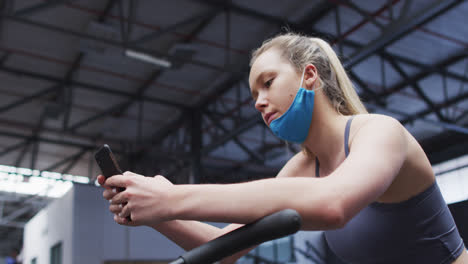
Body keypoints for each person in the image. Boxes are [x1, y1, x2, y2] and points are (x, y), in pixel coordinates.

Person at [99, 32, 468, 264]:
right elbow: (224, 247)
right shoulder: (304, 169)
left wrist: (172, 197)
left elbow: (333, 204)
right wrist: (155, 210)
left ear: (309, 75)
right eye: (254, 93)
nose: (259, 102)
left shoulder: (380, 133)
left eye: (268, 82)